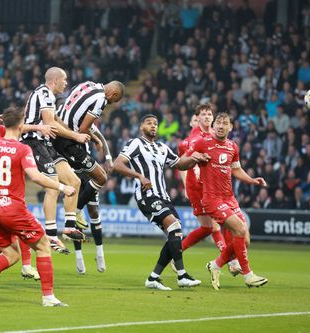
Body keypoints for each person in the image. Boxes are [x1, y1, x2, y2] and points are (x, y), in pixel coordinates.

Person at [0, 106, 76, 307]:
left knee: (11, 252)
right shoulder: (23, 148)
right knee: (43, 246)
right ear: (20, 125)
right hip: (14, 209)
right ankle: (48, 297)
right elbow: (35, 176)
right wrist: (62, 187)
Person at [113, 114, 207, 290]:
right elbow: (117, 164)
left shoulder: (162, 148)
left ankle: (153, 278)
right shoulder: (135, 143)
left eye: (155, 123)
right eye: (149, 123)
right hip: (147, 195)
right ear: (142, 127)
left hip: (164, 197)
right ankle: (182, 275)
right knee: (174, 227)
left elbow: (180, 164)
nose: (153, 126)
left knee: (175, 233)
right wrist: (139, 176)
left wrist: (195, 157)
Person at [0, 103, 56, 280]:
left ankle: (22, 267)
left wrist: (38, 127)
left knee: (9, 237)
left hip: (1, 192)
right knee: (4, 244)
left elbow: (16, 127)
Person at [186, 112, 268, 289]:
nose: (221, 126)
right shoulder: (203, 142)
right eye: (219, 123)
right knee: (239, 228)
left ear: (230, 127)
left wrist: (252, 180)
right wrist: (194, 158)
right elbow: (182, 161)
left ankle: (216, 265)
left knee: (245, 239)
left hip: (230, 198)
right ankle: (248, 275)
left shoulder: (233, 146)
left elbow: (236, 170)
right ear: (214, 126)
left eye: (225, 123)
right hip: (212, 199)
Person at [21, 67, 91, 248]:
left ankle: (68, 227)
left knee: (73, 181)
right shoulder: (44, 93)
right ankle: (51, 234)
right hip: (34, 142)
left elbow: (56, 120)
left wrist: (73, 130)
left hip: (46, 144)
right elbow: (49, 123)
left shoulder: (48, 96)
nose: (66, 83)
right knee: (53, 188)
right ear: (55, 81)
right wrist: (75, 136)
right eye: (64, 79)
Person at [53, 80, 124, 239]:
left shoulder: (86, 85)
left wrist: (97, 140)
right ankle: (75, 213)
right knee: (101, 177)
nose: (110, 103)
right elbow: (84, 129)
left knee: (75, 181)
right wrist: (95, 139)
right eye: (113, 101)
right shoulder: (101, 99)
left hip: (59, 133)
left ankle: (71, 219)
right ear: (113, 95)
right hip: (69, 142)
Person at [178, 104, 241, 275]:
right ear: (195, 119)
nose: (206, 117)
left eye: (209, 114)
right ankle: (230, 260)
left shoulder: (215, 136)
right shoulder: (194, 139)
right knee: (215, 225)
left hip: (211, 188)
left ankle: (176, 252)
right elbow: (182, 164)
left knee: (215, 225)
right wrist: (186, 185)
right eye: (203, 114)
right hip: (198, 188)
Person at [73, 124, 112, 274]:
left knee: (93, 211)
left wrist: (108, 158)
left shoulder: (86, 122)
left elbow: (101, 137)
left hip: (88, 172)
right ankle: (78, 256)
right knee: (76, 215)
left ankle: (100, 253)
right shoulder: (62, 122)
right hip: (71, 173)